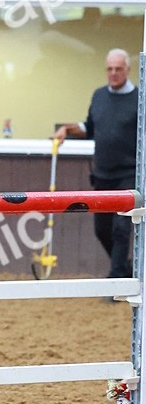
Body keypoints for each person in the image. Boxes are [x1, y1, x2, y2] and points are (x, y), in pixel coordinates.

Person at [53, 48, 138, 279]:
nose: (113, 73)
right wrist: (67, 129)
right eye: (109, 69)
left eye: (118, 69)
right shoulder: (99, 95)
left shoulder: (140, 100)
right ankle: (124, 270)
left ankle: (115, 279)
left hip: (129, 175)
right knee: (102, 230)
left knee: (121, 229)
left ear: (128, 70)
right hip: (102, 175)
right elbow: (89, 126)